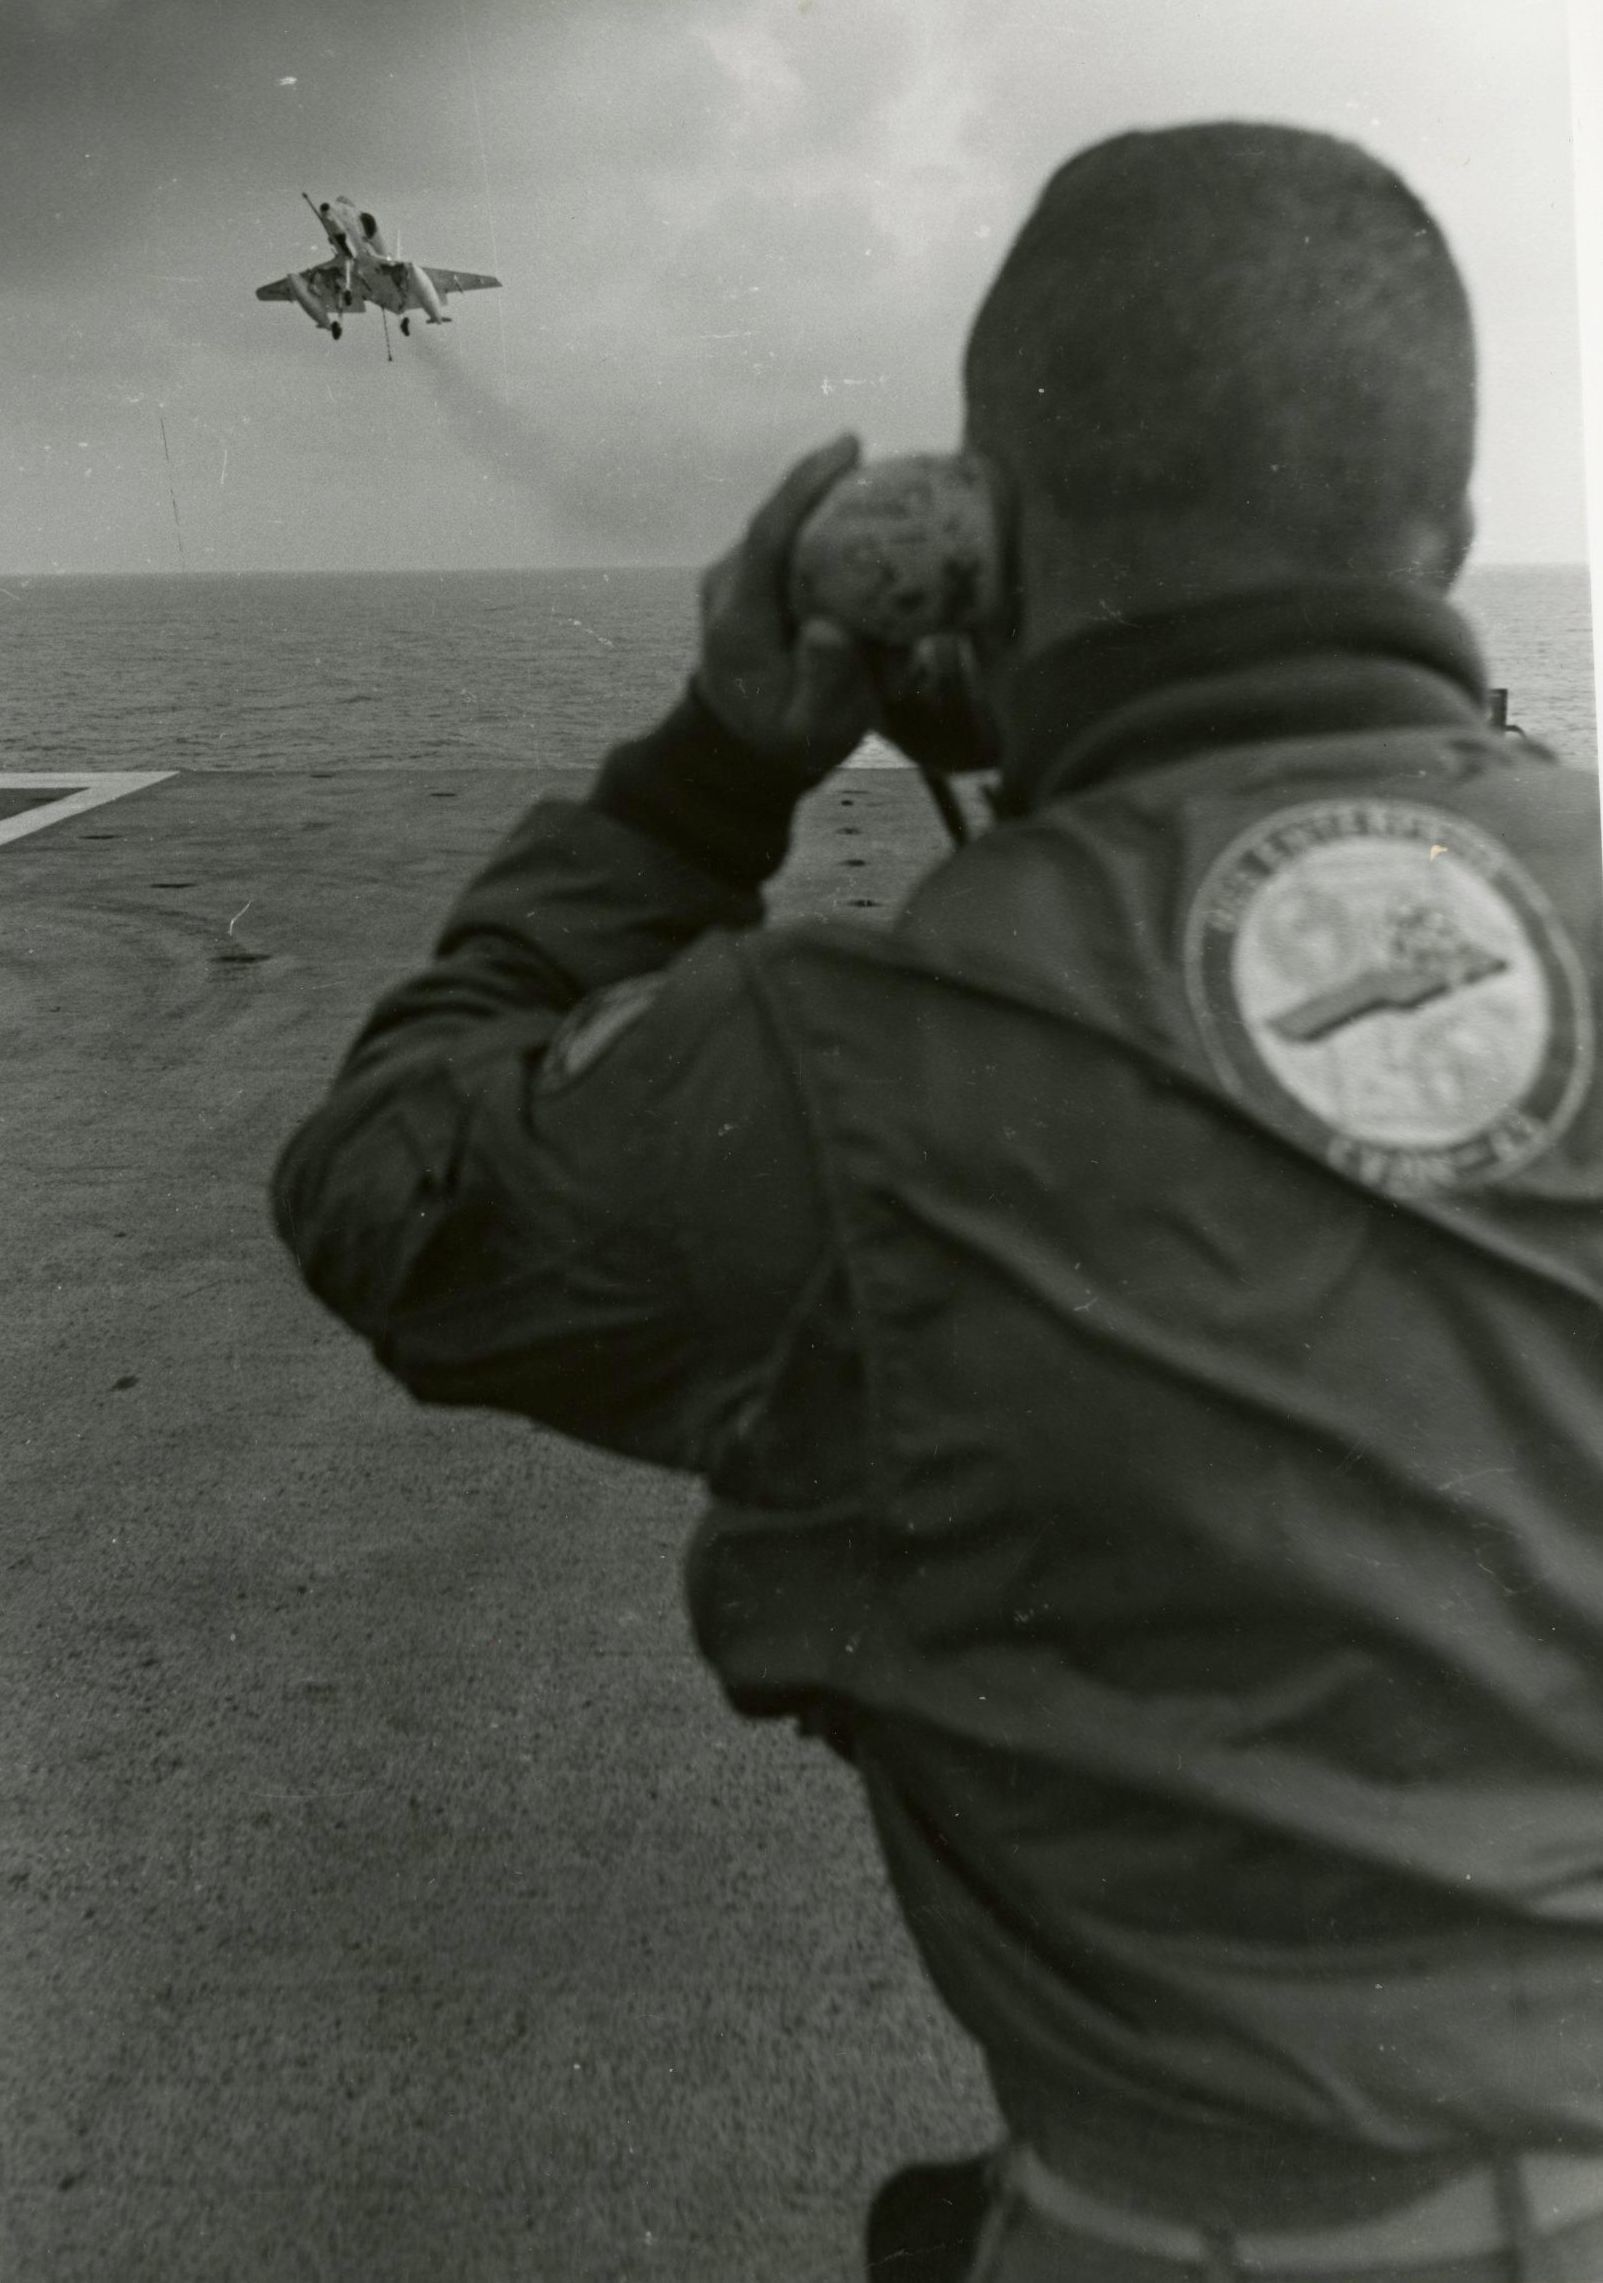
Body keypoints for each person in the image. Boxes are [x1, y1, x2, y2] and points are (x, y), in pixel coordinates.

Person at [272, 123, 1603, 2282]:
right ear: (1451, 520)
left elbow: (391, 1193)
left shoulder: (855, 1055)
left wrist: (712, 765)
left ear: (978, 538)